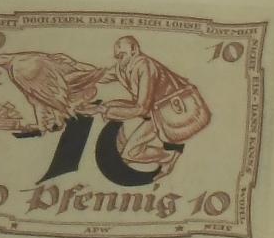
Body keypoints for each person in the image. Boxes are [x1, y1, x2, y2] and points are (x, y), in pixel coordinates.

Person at [83, 35, 212, 181]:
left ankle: (168, 157)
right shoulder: (121, 68)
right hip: (155, 114)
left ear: (133, 49)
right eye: (117, 53)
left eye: (121, 50)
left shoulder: (145, 65)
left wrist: (104, 110)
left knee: (130, 153)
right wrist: (72, 71)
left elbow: (141, 108)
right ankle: (168, 157)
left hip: (168, 112)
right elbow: (98, 76)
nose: (117, 51)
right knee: (131, 153)